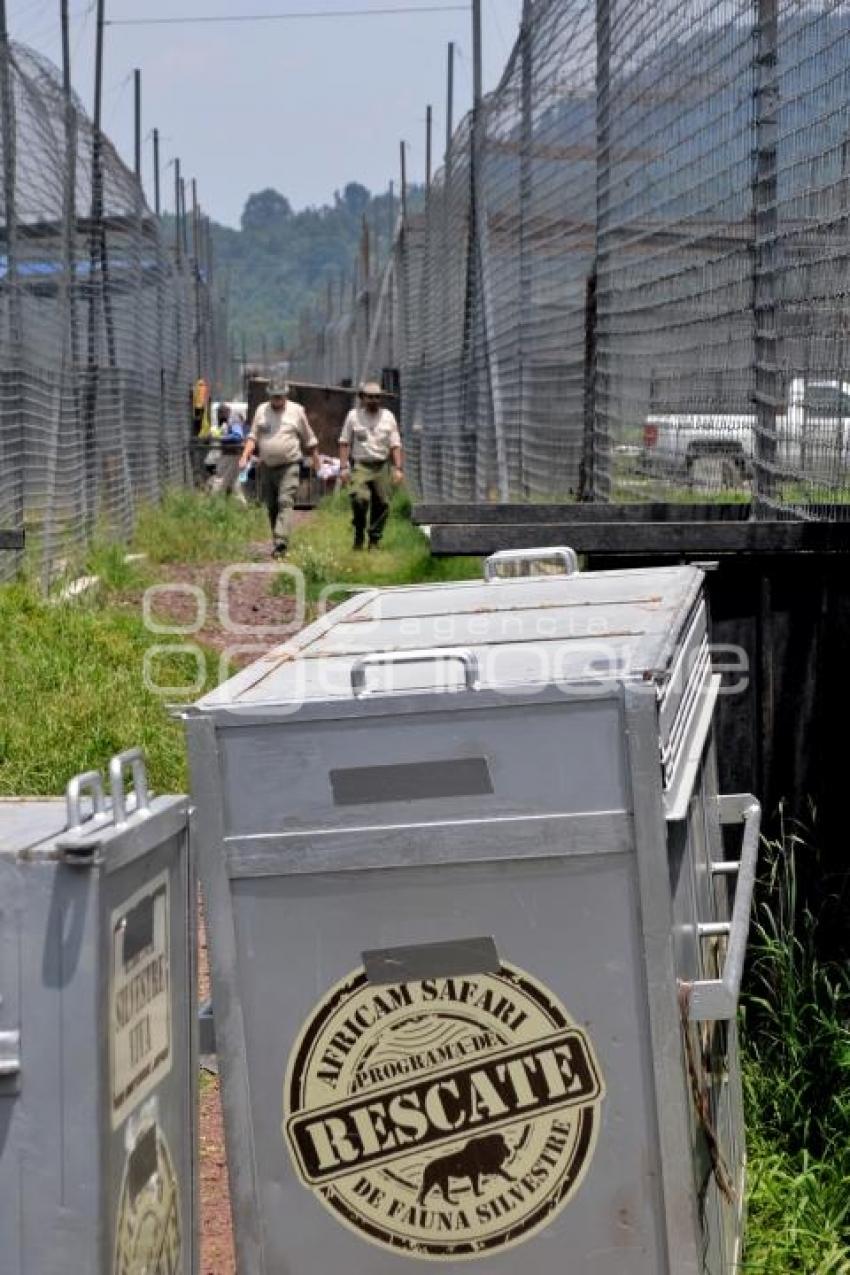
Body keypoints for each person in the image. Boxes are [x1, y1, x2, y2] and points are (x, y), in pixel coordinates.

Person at [239, 383, 319, 557]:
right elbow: (253, 437)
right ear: (269, 396)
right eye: (274, 396)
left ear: (286, 395)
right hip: (267, 467)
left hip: (290, 465)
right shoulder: (261, 411)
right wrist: (245, 456)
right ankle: (278, 539)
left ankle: (281, 541)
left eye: (280, 396)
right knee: (272, 506)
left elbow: (309, 438)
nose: (277, 400)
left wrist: (316, 459)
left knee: (285, 501)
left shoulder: (296, 411)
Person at [339, 381, 403, 550]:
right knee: (360, 499)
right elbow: (344, 442)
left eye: (376, 397)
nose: (373, 400)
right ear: (362, 398)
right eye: (369, 397)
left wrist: (398, 468)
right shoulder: (353, 416)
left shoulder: (388, 416)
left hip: (382, 466)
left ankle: (374, 539)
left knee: (382, 503)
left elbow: (395, 444)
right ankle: (359, 532)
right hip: (361, 465)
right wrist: (344, 467)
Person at [210, 409, 247, 500]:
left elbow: (238, 436)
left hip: (230, 455)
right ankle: (242, 507)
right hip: (232, 455)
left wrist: (221, 437)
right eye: (219, 412)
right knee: (234, 483)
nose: (219, 414)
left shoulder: (233, 420)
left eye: (221, 412)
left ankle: (213, 503)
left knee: (220, 479)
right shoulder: (227, 422)